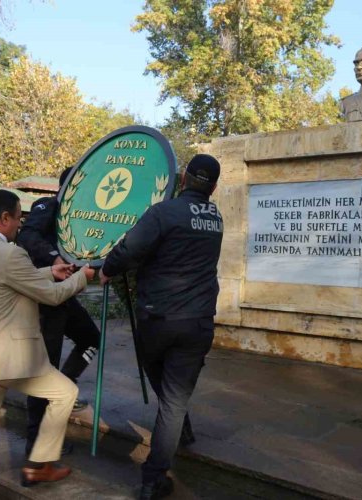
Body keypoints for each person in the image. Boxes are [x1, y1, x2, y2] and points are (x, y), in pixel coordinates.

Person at [0, 189, 95, 500]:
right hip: (10, 362)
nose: (20, 225)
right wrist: (83, 276)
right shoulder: (10, 253)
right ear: (5, 218)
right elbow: (53, 296)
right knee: (65, 393)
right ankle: (40, 463)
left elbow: (7, 281)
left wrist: (49, 270)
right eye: (19, 218)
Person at [100, 154, 223, 500]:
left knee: (168, 396)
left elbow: (129, 249)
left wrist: (107, 269)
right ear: (213, 187)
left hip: (158, 320)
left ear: (183, 178)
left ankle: (152, 480)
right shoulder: (216, 218)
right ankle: (180, 425)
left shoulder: (164, 213)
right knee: (174, 398)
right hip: (197, 322)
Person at [16, 167, 102, 457]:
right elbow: (27, 236)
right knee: (44, 369)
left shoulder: (85, 218)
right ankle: (35, 445)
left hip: (65, 298)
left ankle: (64, 388)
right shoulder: (48, 206)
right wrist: (54, 259)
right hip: (44, 299)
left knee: (91, 338)